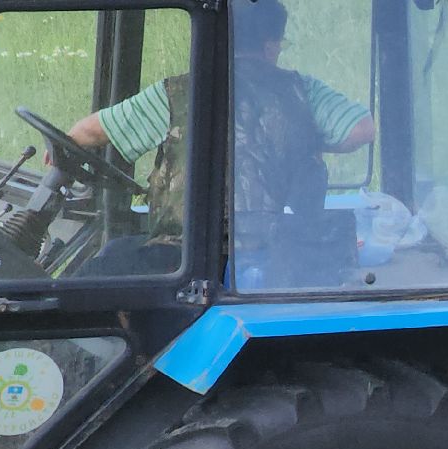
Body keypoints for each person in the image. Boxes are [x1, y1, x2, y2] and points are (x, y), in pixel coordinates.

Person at [65, 0, 376, 276]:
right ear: (269, 45)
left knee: (91, 276)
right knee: (116, 251)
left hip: (187, 254)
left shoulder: (177, 94)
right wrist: (302, 135)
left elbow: (88, 132)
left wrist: (63, 146)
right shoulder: (302, 90)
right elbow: (362, 130)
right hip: (274, 245)